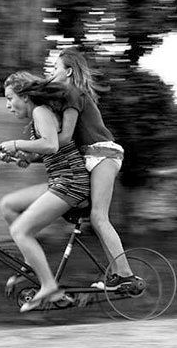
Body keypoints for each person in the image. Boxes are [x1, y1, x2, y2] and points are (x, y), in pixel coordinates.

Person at [50, 47, 141, 293]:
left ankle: (126, 275)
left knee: (100, 217)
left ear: (68, 72)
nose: (51, 72)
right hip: (93, 155)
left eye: (55, 68)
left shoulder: (73, 93)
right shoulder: (72, 94)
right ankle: (115, 274)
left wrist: (34, 148)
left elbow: (65, 136)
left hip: (103, 154)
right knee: (93, 217)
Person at [0, 71, 90, 312]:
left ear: (26, 97)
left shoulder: (40, 111)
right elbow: (49, 151)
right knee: (8, 204)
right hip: (59, 180)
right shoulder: (38, 115)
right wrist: (25, 156)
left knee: (20, 230)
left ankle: (49, 286)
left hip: (71, 183)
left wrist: (16, 144)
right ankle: (31, 261)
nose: (8, 105)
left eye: (10, 98)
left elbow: (51, 143)